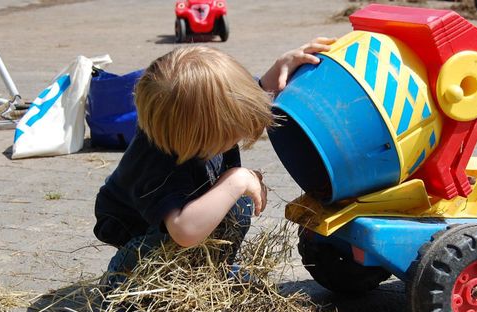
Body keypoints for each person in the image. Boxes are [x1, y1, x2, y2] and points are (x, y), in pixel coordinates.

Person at [93, 38, 336, 288]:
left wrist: (282, 66)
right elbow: (183, 231)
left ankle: (211, 268)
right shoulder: (159, 165)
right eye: (232, 133)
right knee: (166, 248)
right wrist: (236, 180)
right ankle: (125, 283)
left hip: (188, 209)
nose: (240, 134)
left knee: (235, 203)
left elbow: (253, 95)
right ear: (202, 134)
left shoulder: (195, 123)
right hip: (145, 229)